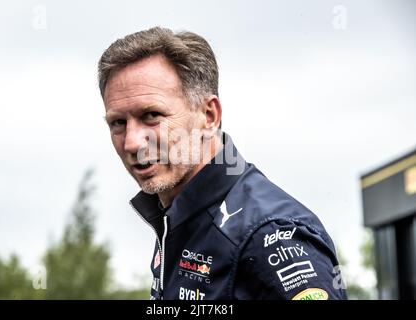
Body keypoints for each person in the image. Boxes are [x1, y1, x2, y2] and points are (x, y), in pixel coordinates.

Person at [97, 26, 347, 300]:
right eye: (118, 122)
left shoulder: (270, 237)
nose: (132, 142)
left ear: (209, 115)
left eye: (151, 115)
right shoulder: (178, 218)